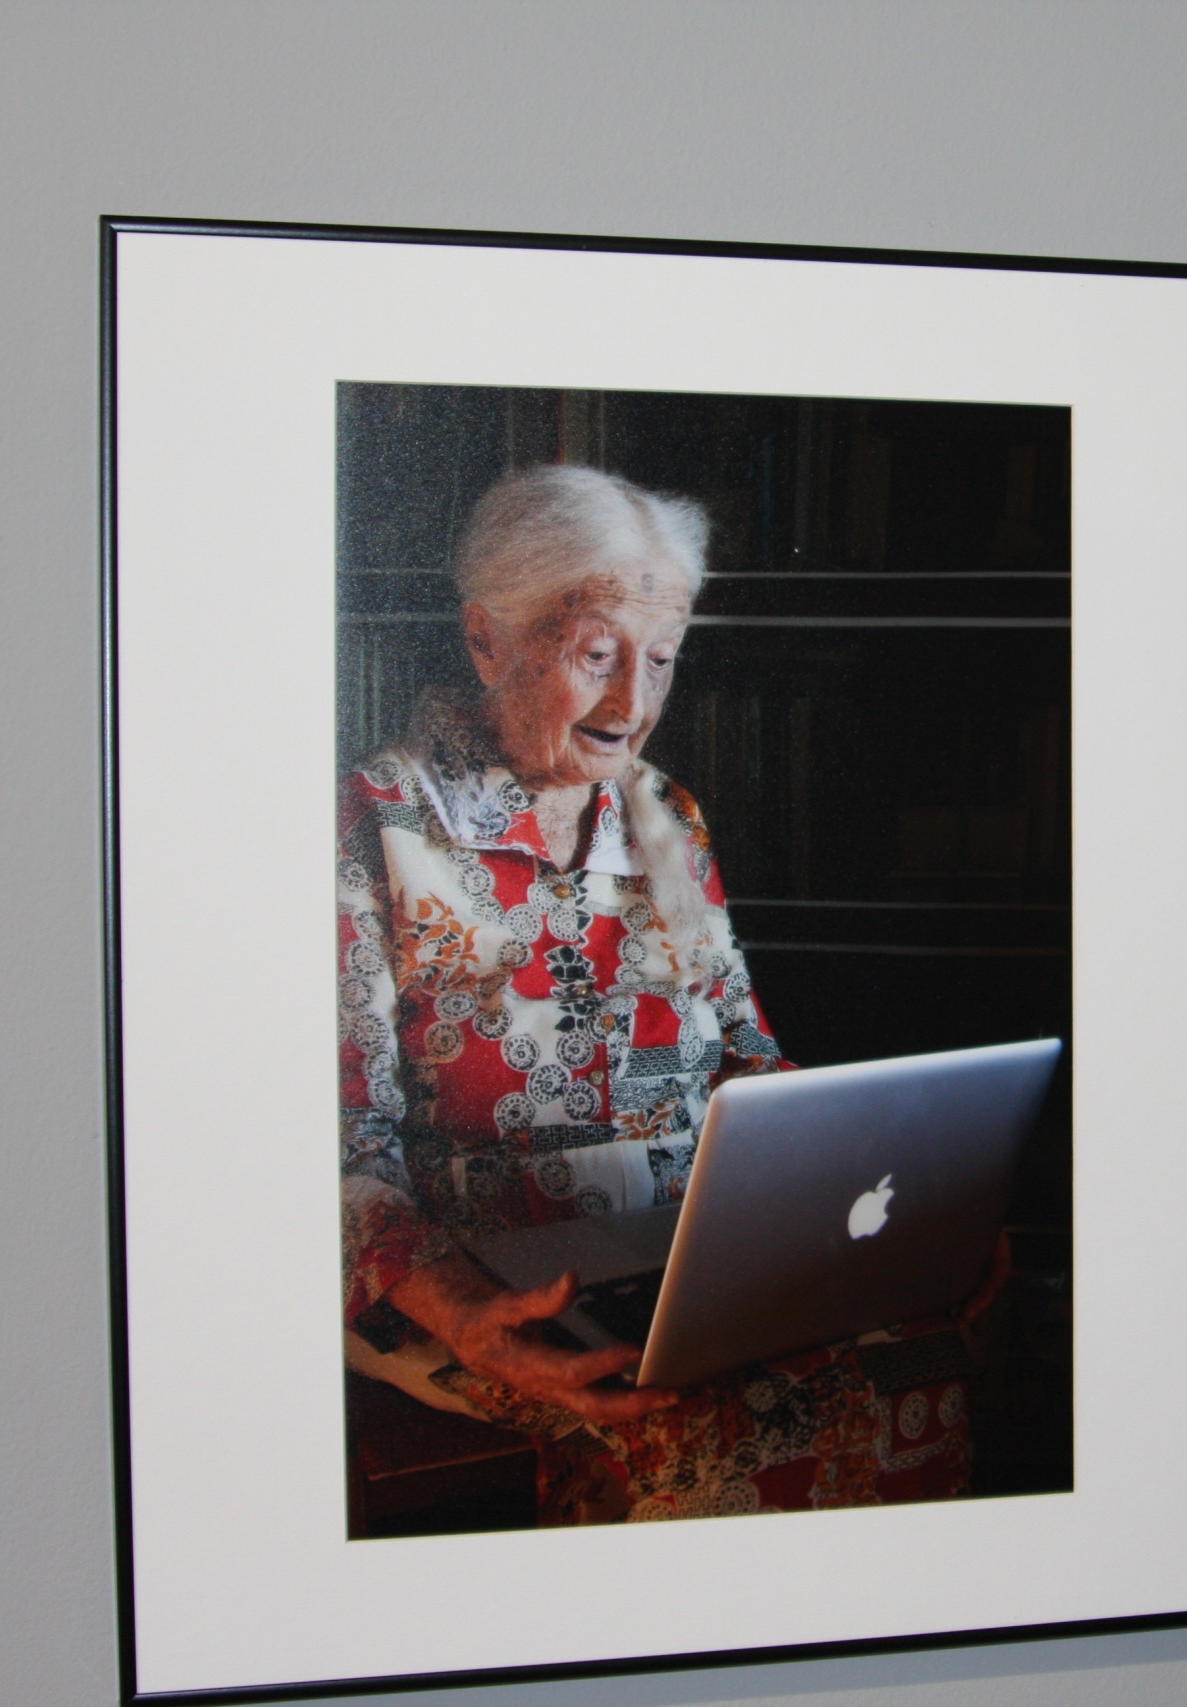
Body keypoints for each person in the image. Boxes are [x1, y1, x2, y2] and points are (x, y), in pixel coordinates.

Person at [339, 463, 979, 1523]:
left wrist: (915, 1208)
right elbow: (339, 1144)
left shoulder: (664, 816)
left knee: (917, 1366)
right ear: (487, 639)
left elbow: (747, 1061)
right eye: (597, 656)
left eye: (663, 659)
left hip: (678, 1272)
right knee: (712, 1430)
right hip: (471, 1288)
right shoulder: (375, 821)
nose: (633, 704)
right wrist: (464, 1310)